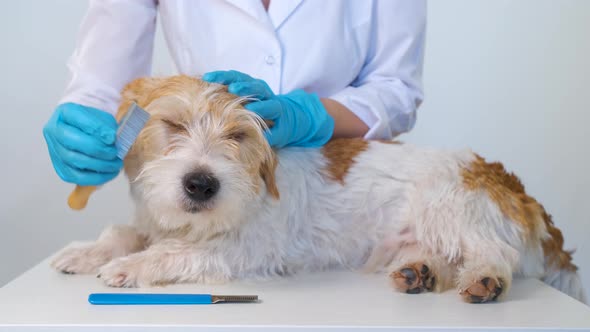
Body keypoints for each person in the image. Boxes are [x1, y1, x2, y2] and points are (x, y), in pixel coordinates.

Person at [43, 0, 426, 186]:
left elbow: (396, 89)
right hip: (197, 188)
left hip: (337, 184)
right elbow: (108, 82)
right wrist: (85, 119)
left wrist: (308, 115)